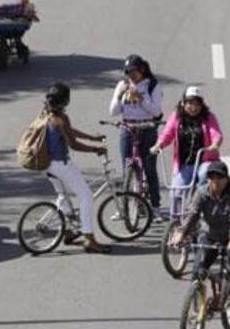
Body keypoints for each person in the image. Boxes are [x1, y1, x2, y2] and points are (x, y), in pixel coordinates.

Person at [41, 83, 111, 253]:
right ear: (65, 101)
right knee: (86, 196)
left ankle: (69, 230)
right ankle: (89, 239)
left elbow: (69, 131)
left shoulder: (46, 113)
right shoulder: (61, 118)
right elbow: (73, 144)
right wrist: (95, 149)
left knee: (63, 195)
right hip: (60, 165)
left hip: (46, 163)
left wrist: (92, 138)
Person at [171, 160, 230, 292]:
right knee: (199, 269)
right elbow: (193, 213)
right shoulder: (202, 192)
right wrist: (182, 232)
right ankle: (196, 297)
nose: (216, 181)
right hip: (211, 235)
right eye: (212, 177)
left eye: (220, 177)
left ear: (227, 178)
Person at [152, 86, 224, 215]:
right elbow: (167, 134)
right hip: (185, 163)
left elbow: (216, 134)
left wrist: (215, 144)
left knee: (204, 175)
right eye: (190, 103)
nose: (194, 107)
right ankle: (176, 219)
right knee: (176, 190)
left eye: (197, 104)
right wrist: (158, 145)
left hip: (204, 160)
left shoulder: (208, 117)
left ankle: (201, 209)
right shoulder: (176, 117)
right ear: (183, 103)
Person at [110, 55, 164, 220]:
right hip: (128, 129)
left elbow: (156, 111)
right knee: (127, 168)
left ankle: (155, 207)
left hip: (147, 129)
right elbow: (113, 111)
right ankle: (124, 208)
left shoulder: (152, 86)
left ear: (142, 70)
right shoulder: (122, 85)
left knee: (149, 168)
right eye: (128, 72)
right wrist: (120, 95)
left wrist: (141, 98)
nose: (131, 75)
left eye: (134, 71)